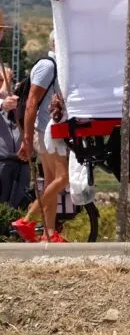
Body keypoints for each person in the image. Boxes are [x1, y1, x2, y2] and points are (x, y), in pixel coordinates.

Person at [12, 31, 68, 243]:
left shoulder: (54, 66)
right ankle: (27, 219)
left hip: (46, 129)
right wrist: (26, 138)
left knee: (53, 181)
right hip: (47, 131)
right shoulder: (48, 66)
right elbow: (31, 103)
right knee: (63, 178)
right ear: (56, 43)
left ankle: (50, 232)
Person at [0, 67, 27, 207]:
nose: (5, 83)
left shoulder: (16, 98)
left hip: (21, 162)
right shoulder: (3, 101)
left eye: (8, 79)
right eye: (1, 80)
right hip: (2, 161)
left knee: (19, 206)